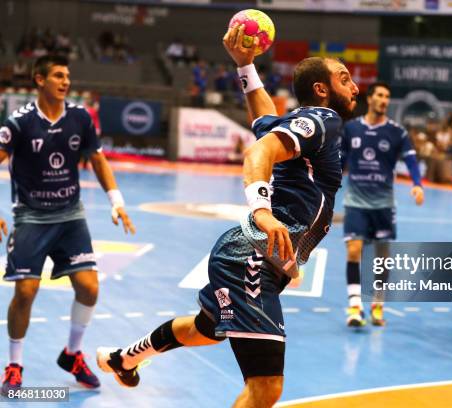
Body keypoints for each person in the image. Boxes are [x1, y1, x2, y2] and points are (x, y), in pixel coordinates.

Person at [96, 24, 358, 407]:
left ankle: (124, 359)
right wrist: (263, 211)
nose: (355, 87)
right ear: (322, 89)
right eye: (345, 79)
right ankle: (125, 359)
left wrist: (246, 66)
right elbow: (258, 154)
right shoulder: (324, 120)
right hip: (252, 258)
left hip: (252, 256)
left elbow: (264, 121)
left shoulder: (305, 123)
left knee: (205, 329)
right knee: (266, 387)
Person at [0, 55, 135, 395]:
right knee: (26, 291)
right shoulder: (18, 123)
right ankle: (14, 365)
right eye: (58, 75)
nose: (65, 81)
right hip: (31, 215)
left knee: (89, 287)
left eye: (67, 76)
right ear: (39, 80)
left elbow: (98, 158)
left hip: (70, 215)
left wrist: (116, 201)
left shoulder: (80, 117)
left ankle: (72, 355)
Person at [341, 82, 424, 327]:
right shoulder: (352, 128)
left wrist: (417, 183)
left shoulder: (397, 132)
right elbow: (341, 160)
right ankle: (355, 307)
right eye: (379, 95)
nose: (384, 100)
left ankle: (377, 304)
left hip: (384, 204)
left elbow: (410, 159)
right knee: (354, 250)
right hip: (356, 201)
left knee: (381, 258)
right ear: (370, 98)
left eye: (387, 96)